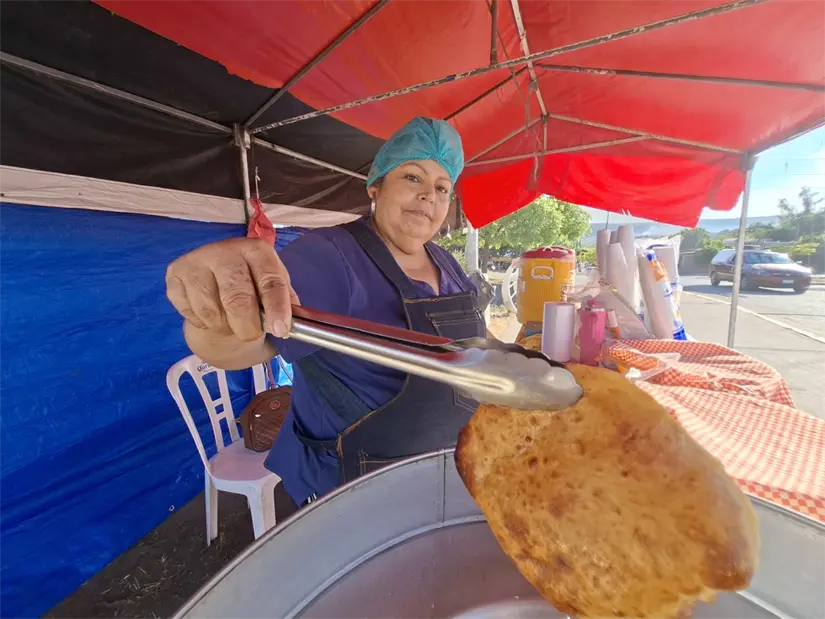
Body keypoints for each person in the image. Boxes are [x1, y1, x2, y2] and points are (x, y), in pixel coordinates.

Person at [165, 117, 484, 516]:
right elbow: (242, 344)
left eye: (442, 188)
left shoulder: (446, 262)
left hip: (440, 471)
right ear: (376, 186)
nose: (429, 197)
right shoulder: (328, 256)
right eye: (413, 177)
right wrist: (211, 314)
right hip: (353, 482)